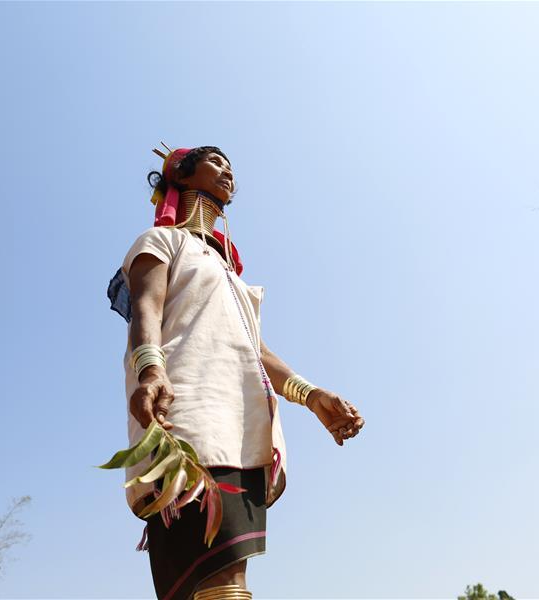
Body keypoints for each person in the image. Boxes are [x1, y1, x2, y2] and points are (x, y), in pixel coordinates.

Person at [106, 143, 365, 600]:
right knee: (222, 581)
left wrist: (311, 395)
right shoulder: (161, 242)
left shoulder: (230, 273)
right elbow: (146, 306)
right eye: (215, 162)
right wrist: (150, 371)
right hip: (186, 419)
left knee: (218, 584)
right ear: (181, 175)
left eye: (230, 166)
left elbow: (255, 352)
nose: (228, 171)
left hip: (242, 427)